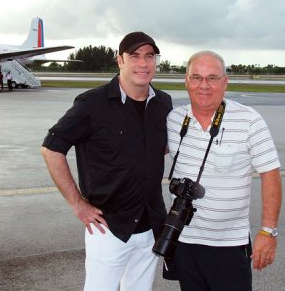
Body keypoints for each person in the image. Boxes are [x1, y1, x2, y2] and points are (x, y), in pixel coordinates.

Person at [41, 32, 172, 291]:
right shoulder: (92, 103)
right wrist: (78, 204)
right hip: (108, 228)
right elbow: (51, 148)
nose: (143, 63)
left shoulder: (163, 103)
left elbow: (161, 148)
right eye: (134, 56)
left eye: (149, 56)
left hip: (150, 226)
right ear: (120, 61)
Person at [166, 50, 282, 290]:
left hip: (228, 245)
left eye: (212, 78)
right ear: (186, 81)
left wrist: (267, 232)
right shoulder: (174, 119)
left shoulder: (249, 120)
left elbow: (270, 174)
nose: (204, 86)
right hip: (183, 241)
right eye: (196, 77)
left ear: (225, 82)